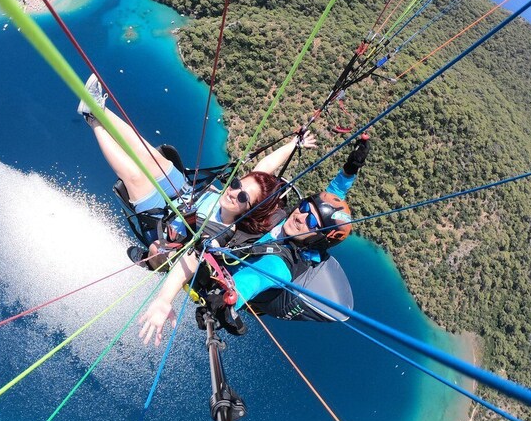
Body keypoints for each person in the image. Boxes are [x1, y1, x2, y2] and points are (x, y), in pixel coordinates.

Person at [138, 135, 371, 345]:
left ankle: (149, 261)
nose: (301, 217)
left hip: (216, 268)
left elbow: (253, 280)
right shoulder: (289, 221)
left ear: (318, 239)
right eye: (303, 207)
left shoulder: (281, 264)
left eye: (311, 222)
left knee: (160, 250)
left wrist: (229, 302)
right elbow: (331, 199)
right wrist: (349, 171)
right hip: (230, 237)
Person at [77, 74, 317, 268]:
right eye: (236, 186)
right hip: (183, 190)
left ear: (248, 210)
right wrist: (293, 144)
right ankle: (99, 109)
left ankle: (92, 121)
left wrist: (161, 251)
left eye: (242, 197)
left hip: (162, 219)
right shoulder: (229, 200)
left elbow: (177, 259)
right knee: (151, 156)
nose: (234, 192)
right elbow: (263, 168)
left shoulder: (223, 235)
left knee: (135, 177)